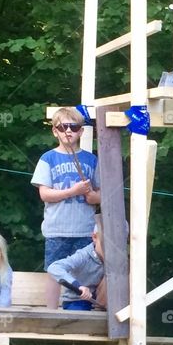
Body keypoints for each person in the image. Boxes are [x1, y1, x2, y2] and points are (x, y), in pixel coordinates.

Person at [31, 107, 100, 308]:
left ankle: (77, 309)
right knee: (54, 270)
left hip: (84, 229)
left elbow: (101, 195)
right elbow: (45, 194)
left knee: (83, 271)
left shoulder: (91, 159)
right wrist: (74, 191)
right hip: (56, 228)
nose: (67, 131)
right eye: (62, 127)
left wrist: (91, 196)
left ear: (81, 131)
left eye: (73, 127)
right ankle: (51, 313)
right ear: (55, 131)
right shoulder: (48, 158)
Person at [47, 222, 107, 311]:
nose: (110, 248)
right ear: (94, 237)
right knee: (79, 318)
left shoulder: (121, 259)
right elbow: (54, 267)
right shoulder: (83, 255)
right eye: (105, 242)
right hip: (78, 301)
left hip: (105, 303)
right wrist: (78, 286)